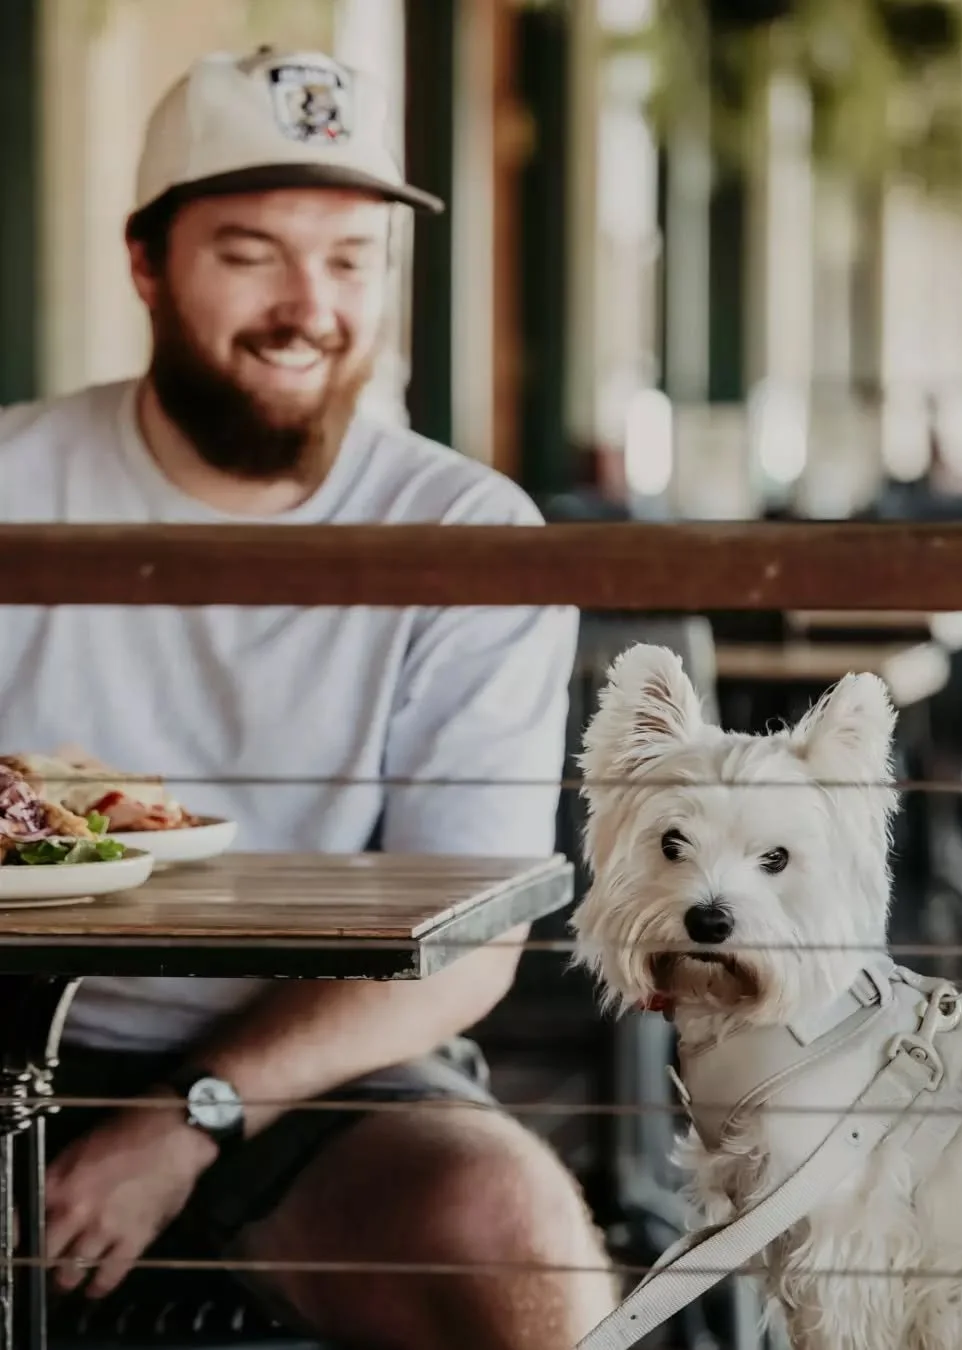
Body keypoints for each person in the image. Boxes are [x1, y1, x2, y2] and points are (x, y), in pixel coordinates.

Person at [0, 45, 616, 1349]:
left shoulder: (466, 531)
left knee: (522, 1256)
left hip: (325, 1063)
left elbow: (468, 943)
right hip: (8, 1027)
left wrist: (188, 1117)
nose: (306, 305)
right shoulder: (15, 480)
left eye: (349, 259)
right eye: (248, 252)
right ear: (146, 264)